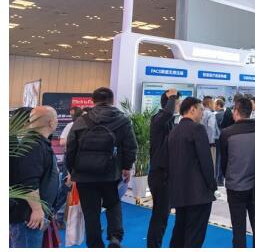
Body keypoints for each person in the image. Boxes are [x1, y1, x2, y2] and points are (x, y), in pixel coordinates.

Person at [65, 87, 138, 248]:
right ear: (112, 100)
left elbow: (70, 148)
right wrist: (126, 167)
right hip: (111, 173)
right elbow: (131, 146)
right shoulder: (122, 120)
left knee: (90, 212)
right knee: (113, 204)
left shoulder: (81, 121)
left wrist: (72, 171)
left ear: (93, 101)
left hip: (84, 174)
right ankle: (115, 238)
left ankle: (95, 244)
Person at [168, 97, 217, 248]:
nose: (202, 113)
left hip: (180, 193)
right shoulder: (197, 129)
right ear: (192, 109)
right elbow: (206, 162)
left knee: (179, 232)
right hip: (198, 194)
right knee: (194, 237)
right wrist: (212, 186)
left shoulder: (174, 131)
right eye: (201, 109)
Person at [9, 106, 59, 247]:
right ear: (51, 122)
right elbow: (28, 182)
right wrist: (37, 209)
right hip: (28, 216)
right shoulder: (33, 145)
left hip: (31, 214)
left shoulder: (37, 143)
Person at [220, 98, 255, 248]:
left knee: (238, 228)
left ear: (236, 111)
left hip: (235, 186)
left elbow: (224, 162)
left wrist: (229, 177)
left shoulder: (227, 133)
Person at [146, 89, 180, 248]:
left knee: (162, 216)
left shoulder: (169, 122)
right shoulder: (159, 119)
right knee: (160, 216)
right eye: (177, 103)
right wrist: (172, 97)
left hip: (165, 175)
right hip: (160, 175)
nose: (178, 106)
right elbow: (167, 113)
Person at [55, 105, 84, 228]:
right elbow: (62, 142)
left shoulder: (90, 127)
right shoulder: (71, 126)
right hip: (71, 159)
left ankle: (84, 222)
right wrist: (75, 140)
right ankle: (57, 217)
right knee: (65, 187)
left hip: (84, 161)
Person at [201, 96, 220, 171]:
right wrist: (211, 142)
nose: (214, 105)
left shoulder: (201, 113)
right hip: (210, 144)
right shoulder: (211, 114)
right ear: (209, 103)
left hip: (201, 142)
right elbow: (211, 128)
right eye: (213, 103)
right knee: (211, 164)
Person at [214, 98, 226, 186]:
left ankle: (217, 179)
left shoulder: (216, 115)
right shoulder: (227, 114)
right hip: (225, 139)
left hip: (217, 139)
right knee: (223, 158)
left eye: (215, 104)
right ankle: (221, 180)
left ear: (218, 105)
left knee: (217, 159)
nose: (214, 106)